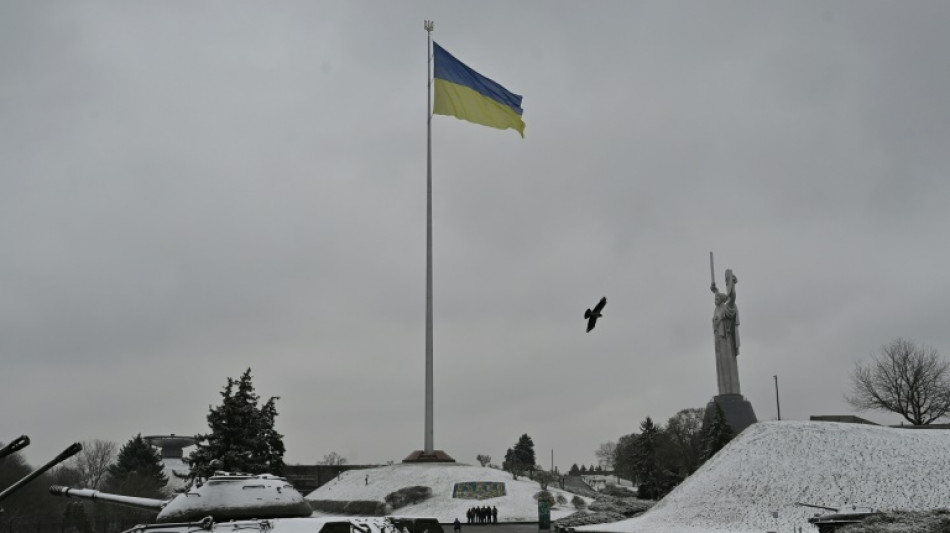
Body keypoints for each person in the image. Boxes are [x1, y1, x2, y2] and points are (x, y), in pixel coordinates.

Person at [710, 269, 741, 395]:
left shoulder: (728, 307)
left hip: (726, 342)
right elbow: (719, 298)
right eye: (715, 298)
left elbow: (732, 297)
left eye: (717, 298)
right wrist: (715, 290)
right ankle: (723, 393)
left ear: (722, 300)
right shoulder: (716, 309)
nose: (715, 299)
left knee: (729, 368)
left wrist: (732, 285)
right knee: (721, 369)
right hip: (718, 342)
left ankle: (731, 393)